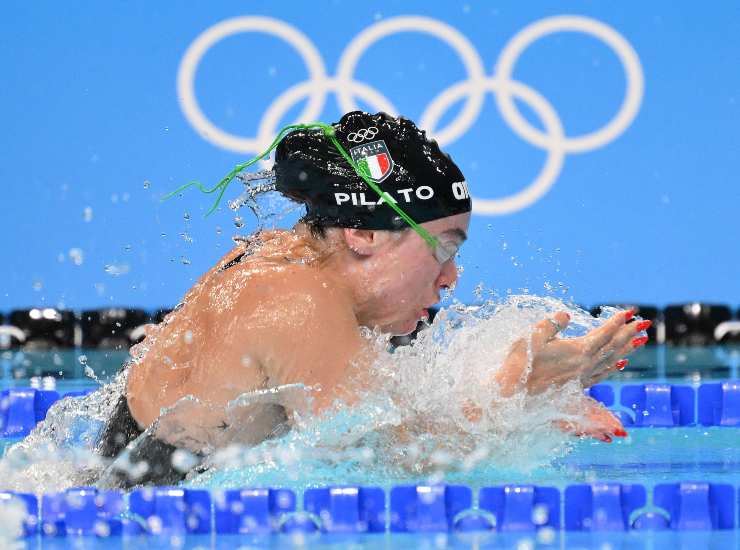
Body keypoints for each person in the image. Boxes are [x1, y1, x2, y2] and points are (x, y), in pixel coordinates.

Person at [96, 111, 649, 487]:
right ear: (363, 234)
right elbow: (400, 466)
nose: (451, 277)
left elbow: (376, 421)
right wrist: (519, 391)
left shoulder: (276, 259)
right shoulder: (299, 304)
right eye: (443, 249)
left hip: (125, 488)